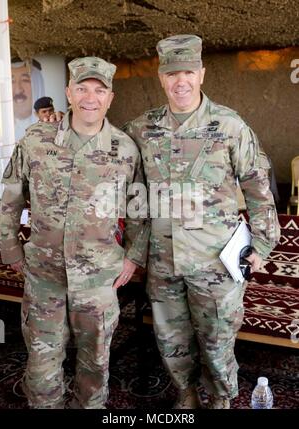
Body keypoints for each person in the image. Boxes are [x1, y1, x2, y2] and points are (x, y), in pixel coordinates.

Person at [123, 34, 281, 409]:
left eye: (188, 72)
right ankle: (186, 395)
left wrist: (262, 244)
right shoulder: (142, 129)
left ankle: (221, 400)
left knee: (217, 340)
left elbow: (259, 186)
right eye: (172, 73)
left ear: (202, 74)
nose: (181, 81)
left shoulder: (229, 126)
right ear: (161, 78)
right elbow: (134, 200)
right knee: (170, 338)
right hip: (164, 262)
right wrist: (135, 252)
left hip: (216, 262)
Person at [0, 56, 149, 409]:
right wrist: (11, 252)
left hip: (98, 282)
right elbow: (9, 199)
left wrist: (132, 259)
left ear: (110, 97)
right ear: (68, 92)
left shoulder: (125, 150)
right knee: (40, 370)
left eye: (99, 90)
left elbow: (140, 212)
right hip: (44, 279)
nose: (90, 98)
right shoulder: (37, 140)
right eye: (82, 88)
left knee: (94, 369)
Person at [12, 59, 45, 141]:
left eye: (25, 80)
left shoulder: (50, 127)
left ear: (37, 86)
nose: (18, 90)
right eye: (11, 81)